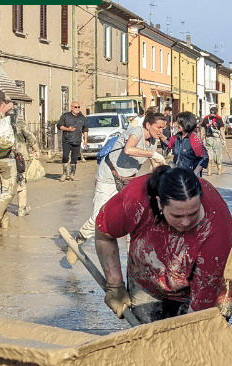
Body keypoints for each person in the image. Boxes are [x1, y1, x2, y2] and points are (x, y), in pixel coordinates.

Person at [95, 166, 232, 324]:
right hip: (149, 278)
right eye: (177, 215)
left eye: (193, 213)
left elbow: (198, 313)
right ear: (160, 203)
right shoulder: (135, 200)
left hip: (212, 284)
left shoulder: (216, 230)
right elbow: (104, 233)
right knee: (147, 339)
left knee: (200, 339)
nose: (186, 222)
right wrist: (115, 285)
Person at [66, 108, 168, 264]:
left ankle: (132, 258)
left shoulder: (153, 141)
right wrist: (152, 155)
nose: (161, 131)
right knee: (98, 217)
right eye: (158, 127)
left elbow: (155, 164)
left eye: (163, 128)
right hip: (109, 175)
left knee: (132, 217)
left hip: (128, 181)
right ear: (148, 124)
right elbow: (129, 149)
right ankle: (77, 242)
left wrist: (163, 171)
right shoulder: (136, 131)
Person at [0, 96, 39, 231]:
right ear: (3, 104)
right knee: (11, 189)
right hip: (10, 160)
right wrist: (36, 150)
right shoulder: (14, 119)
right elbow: (29, 135)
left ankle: (4, 222)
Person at [166, 112, 209, 176]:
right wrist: (160, 135)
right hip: (178, 174)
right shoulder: (177, 136)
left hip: (191, 176)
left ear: (186, 123)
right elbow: (169, 143)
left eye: (179, 123)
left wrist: (195, 172)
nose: (177, 125)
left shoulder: (194, 138)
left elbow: (204, 157)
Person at [57, 101, 87, 180]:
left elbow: (85, 129)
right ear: (71, 107)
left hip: (77, 141)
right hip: (66, 140)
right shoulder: (65, 116)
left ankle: (72, 174)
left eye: (78, 107)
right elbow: (59, 126)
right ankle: (64, 173)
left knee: (74, 158)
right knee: (65, 157)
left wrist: (85, 140)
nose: (77, 109)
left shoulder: (82, 118)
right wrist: (68, 129)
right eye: (75, 107)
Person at [199, 106, 226, 175]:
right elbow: (222, 129)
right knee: (218, 155)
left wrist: (201, 139)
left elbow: (202, 129)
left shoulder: (206, 118)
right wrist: (224, 139)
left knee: (209, 155)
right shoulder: (219, 119)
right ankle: (219, 170)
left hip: (208, 139)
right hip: (216, 139)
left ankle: (209, 172)